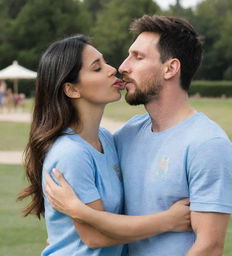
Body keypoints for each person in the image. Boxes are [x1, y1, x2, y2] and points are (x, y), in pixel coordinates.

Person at [45, 15, 232, 256]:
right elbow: (88, 232)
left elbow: (209, 248)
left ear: (170, 68)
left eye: (137, 57)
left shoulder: (207, 144)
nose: (122, 67)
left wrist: (81, 213)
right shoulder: (125, 136)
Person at [17, 34, 192, 256]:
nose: (112, 69)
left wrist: (81, 212)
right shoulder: (71, 153)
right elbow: (95, 237)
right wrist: (169, 220)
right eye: (97, 68)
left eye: (105, 62)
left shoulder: (106, 139)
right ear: (71, 89)